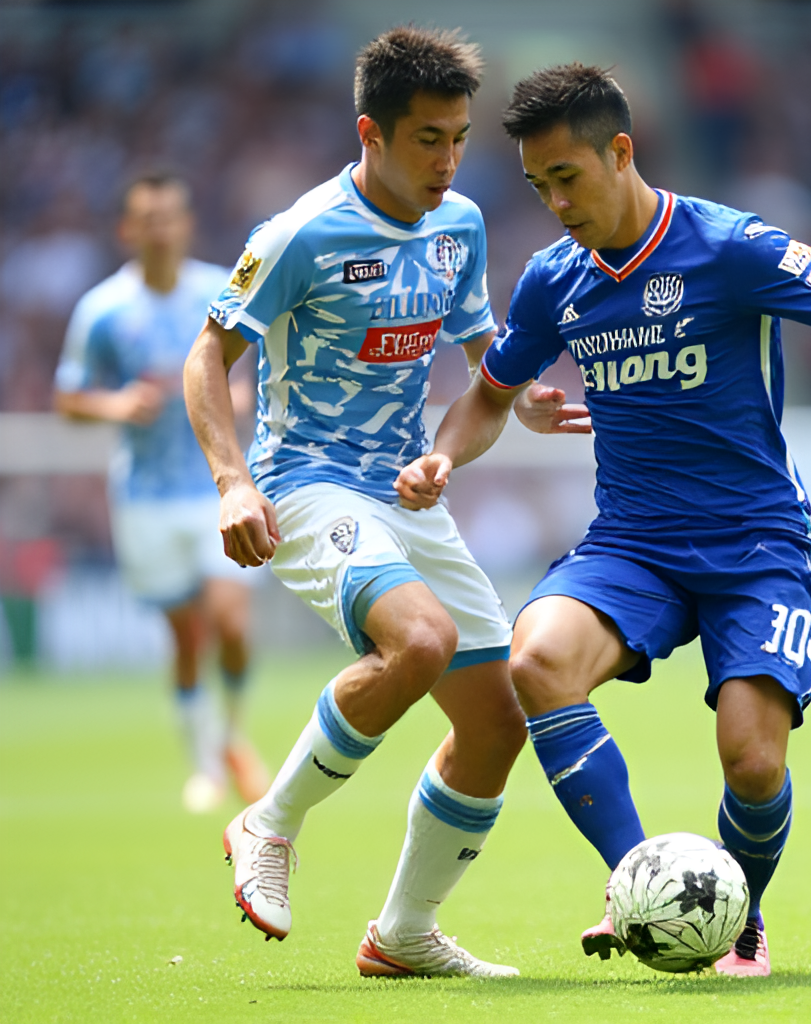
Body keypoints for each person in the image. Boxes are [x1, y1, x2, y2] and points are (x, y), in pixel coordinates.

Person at [394, 64, 811, 977]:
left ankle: (741, 918)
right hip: (632, 544)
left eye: (568, 177)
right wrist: (444, 453)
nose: (556, 204)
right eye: (539, 186)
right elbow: (489, 395)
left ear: (620, 152)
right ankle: (640, 880)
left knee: (752, 762)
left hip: (757, 546)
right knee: (536, 659)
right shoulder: (555, 280)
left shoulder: (729, 246)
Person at [183, 27, 538, 978]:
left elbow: (485, 371)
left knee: (497, 725)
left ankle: (403, 935)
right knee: (419, 641)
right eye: (428, 139)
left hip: (405, 494)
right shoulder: (299, 234)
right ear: (370, 133)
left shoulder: (460, 225)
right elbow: (207, 357)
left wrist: (520, 399)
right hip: (305, 483)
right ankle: (268, 822)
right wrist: (232, 482)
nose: (448, 160)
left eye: (459, 138)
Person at [54, 173, 269, 815]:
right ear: (128, 229)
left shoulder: (219, 291)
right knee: (186, 638)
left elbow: (254, 368)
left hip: (216, 488)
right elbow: (69, 396)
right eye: (147, 218)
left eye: (169, 216)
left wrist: (239, 395)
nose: (160, 229)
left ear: (186, 224)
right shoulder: (103, 309)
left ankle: (231, 738)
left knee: (231, 624)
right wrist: (117, 405)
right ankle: (204, 763)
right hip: (146, 497)